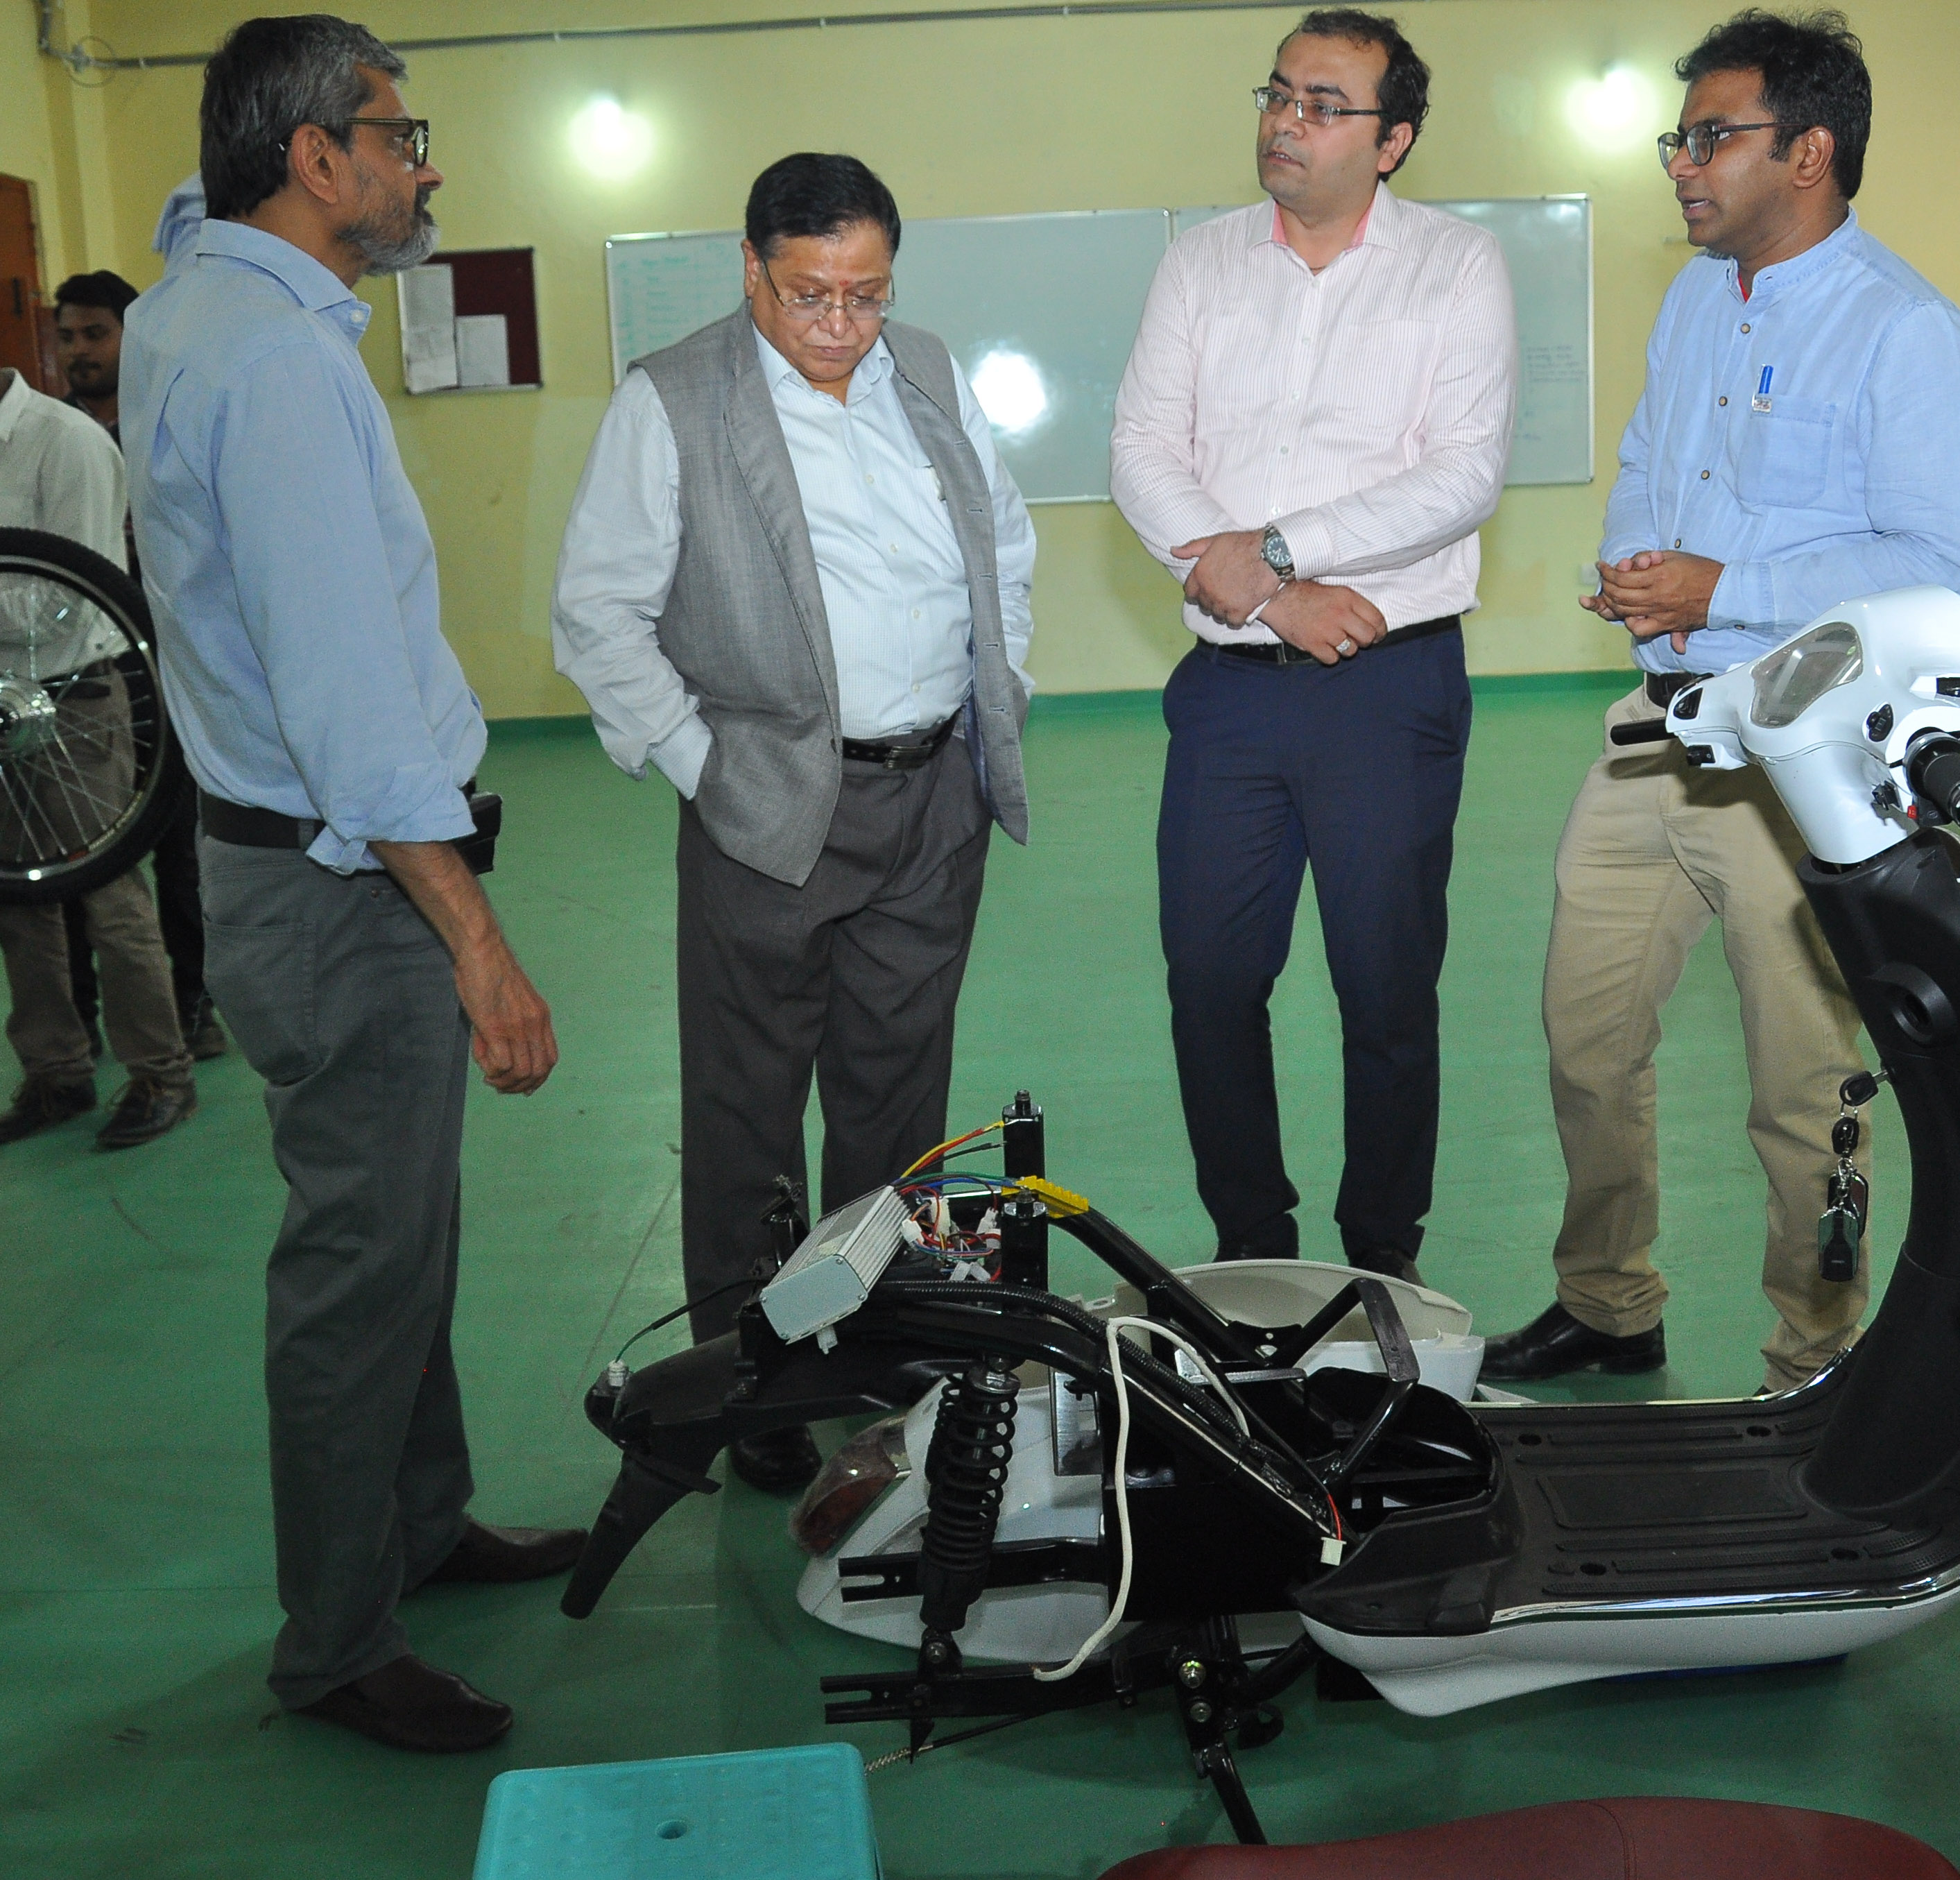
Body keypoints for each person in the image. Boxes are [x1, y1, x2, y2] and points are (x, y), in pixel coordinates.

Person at [121, 15, 579, 1754]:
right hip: (344, 890)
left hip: (275, 867)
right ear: (311, 162)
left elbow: (199, 190)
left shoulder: (198, 293)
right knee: (355, 1269)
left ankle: (425, 1517)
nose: (424, 163)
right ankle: (336, 1639)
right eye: (397, 134)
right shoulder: (279, 369)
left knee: (406, 1240)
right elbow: (345, 705)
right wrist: (476, 939)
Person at [1482, 8, 1960, 1392]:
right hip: (1660, 737)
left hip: (1804, 762)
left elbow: (1939, 568)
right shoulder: (1697, 295)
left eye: (1713, 136)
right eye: (1680, 137)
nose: (1683, 164)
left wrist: (1722, 584)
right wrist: (1640, 570)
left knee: (1804, 1091)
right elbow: (1655, 457)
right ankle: (1606, 1303)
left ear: (1810, 152)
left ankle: (1812, 1355)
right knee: (1584, 1040)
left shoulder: (1903, 334)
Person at [552, 152, 1035, 1496]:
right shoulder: (674, 397)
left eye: (865, 293)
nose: (839, 323)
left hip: (932, 794)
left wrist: (997, 687)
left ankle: (873, 1339)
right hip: (768, 801)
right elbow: (598, 613)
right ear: (753, 268)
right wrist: (708, 767)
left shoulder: (927, 369)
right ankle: (747, 1372)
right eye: (810, 293)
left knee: (896, 1097)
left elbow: (1000, 543)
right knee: (746, 1100)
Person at [1110, 8, 1516, 1285]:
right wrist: (1271, 594)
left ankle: (1381, 1256)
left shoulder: (1455, 268)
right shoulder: (1201, 262)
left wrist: (1274, 546)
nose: (1285, 122)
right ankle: (1250, 1245)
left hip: (1382, 688)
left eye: (1323, 104)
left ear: (1390, 140)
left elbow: (1461, 475)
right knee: (1210, 983)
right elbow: (1140, 454)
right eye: (1277, 94)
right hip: (1230, 689)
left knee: (1384, 993)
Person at [0, 357, 199, 1149]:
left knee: (110, 898)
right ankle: (56, 1072)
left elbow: (63, 595)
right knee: (18, 902)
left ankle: (161, 1074)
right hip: (2, 705)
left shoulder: (64, 442)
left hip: (72, 698)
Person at [51, 268, 226, 1066]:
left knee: (177, 851)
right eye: (68, 336)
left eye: (97, 334)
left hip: (166, 673)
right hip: (71, 679)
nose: (80, 351)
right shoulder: (45, 441)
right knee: (73, 864)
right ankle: (81, 1025)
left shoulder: (169, 428)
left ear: (131, 337)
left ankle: (193, 1007)